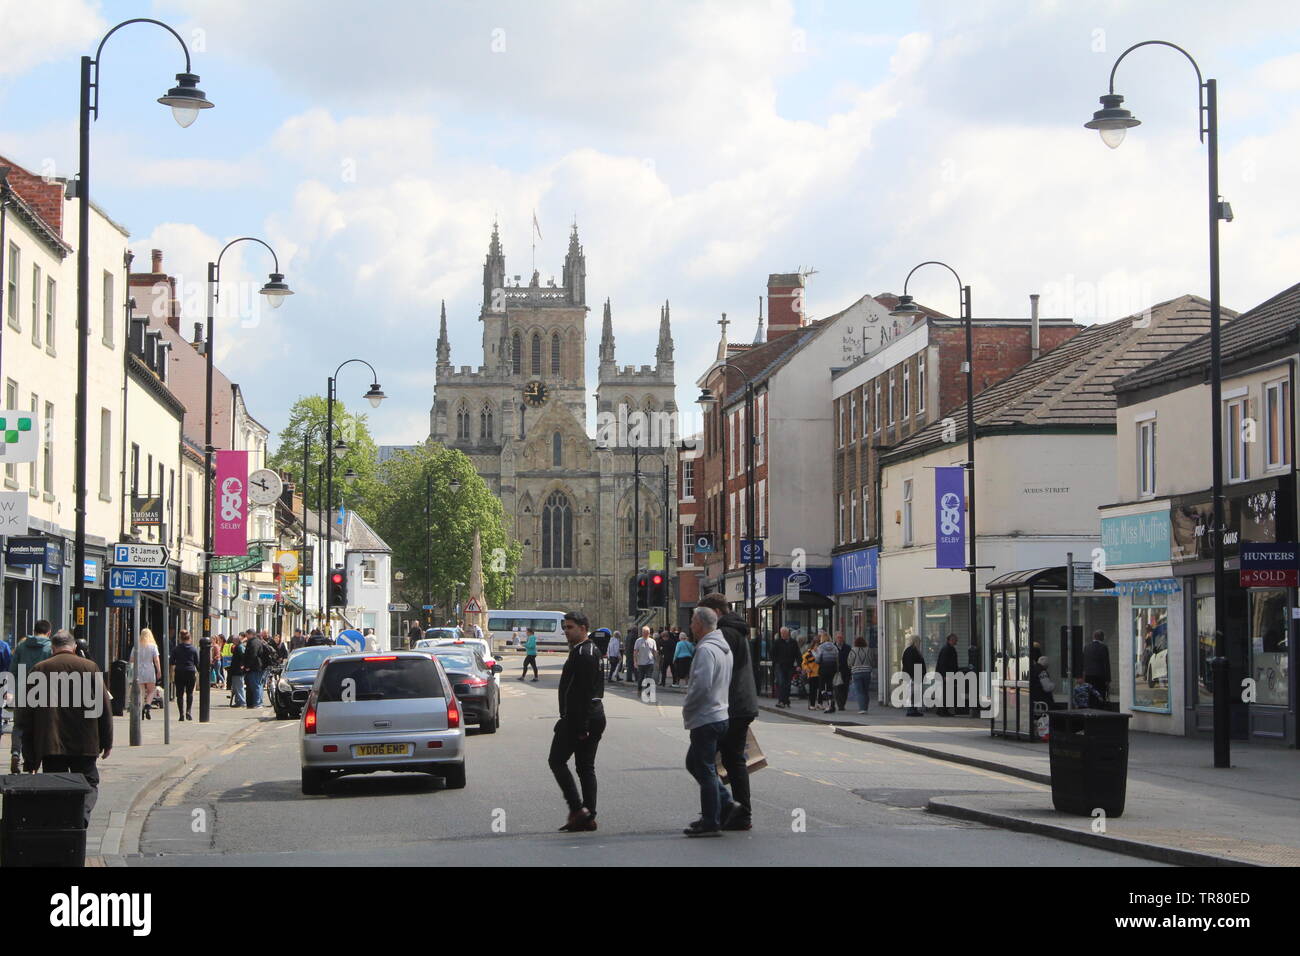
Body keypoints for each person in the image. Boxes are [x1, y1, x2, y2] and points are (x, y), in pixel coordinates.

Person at [14, 630, 113, 828]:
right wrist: (106, 742)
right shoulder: (89, 667)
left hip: (51, 744)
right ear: (74, 647)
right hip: (85, 743)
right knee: (89, 784)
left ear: (53, 648)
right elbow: (104, 708)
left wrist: (30, 757)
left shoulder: (39, 669)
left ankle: (60, 825)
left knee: (55, 787)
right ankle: (80, 818)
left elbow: (26, 716)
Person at [698, 593, 757, 831]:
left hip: (732, 705)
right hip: (739, 704)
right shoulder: (734, 629)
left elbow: (718, 672)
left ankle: (733, 811)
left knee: (708, 760)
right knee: (731, 760)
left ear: (717, 613)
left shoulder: (726, 633)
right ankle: (734, 811)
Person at [549, 610, 604, 832]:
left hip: (581, 718)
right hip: (586, 717)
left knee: (557, 760)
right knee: (584, 767)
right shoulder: (584, 650)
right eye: (564, 627)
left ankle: (577, 809)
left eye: (569, 627)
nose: (565, 631)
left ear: (583, 628)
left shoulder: (585, 653)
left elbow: (583, 692)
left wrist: (581, 726)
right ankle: (587, 816)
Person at [681, 606, 732, 837]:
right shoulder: (723, 648)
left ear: (700, 624)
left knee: (705, 769)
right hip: (720, 714)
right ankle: (727, 805)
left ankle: (711, 821)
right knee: (695, 763)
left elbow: (701, 686)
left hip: (706, 716)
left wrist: (688, 708)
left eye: (692, 621)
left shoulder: (706, 650)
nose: (690, 625)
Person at [9, 620, 54, 772]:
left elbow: (13, 671)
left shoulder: (22, 646)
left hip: (22, 692)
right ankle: (33, 762)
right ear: (49, 632)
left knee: (19, 725)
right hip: (43, 694)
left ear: (34, 631)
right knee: (39, 727)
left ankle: (15, 753)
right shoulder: (50, 648)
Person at [132, 629, 161, 721]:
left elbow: (131, 660)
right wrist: (159, 671)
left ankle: (140, 710)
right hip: (149, 669)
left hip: (139, 669)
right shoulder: (153, 646)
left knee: (141, 692)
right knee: (151, 690)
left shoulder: (136, 646)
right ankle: (148, 706)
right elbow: (156, 660)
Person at [171, 630, 199, 720]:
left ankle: (181, 714)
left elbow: (171, 661)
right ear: (189, 638)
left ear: (180, 638)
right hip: (190, 672)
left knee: (179, 694)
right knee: (189, 693)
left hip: (179, 672)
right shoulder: (193, 649)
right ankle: (188, 711)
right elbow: (197, 663)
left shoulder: (176, 649)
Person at [770, 627, 799, 708]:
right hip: (780, 666)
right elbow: (772, 653)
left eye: (784, 633)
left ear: (788, 633)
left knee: (788, 684)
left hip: (790, 666)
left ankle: (786, 700)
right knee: (781, 683)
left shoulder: (793, 642)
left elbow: (797, 654)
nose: (783, 635)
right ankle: (781, 701)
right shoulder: (777, 642)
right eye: (782, 633)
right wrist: (776, 661)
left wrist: (799, 665)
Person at [243, 630, 270, 708]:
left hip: (255, 667)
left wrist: (248, 666)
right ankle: (258, 702)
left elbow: (253, 655)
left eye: (247, 635)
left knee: (255, 685)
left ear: (250, 634)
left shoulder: (253, 642)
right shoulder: (258, 641)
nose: (246, 637)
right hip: (259, 666)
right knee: (259, 684)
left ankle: (258, 703)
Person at [1083, 630, 1111, 703]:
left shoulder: (1086, 647)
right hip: (1100, 677)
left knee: (1090, 696)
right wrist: (1108, 679)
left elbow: (1084, 662)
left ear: (1094, 637)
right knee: (1100, 696)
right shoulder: (1103, 647)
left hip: (1088, 676)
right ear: (1101, 637)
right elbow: (1106, 664)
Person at [814, 632, 839, 713]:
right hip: (832, 669)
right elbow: (836, 657)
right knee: (829, 687)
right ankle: (831, 703)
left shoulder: (820, 647)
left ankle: (830, 702)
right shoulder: (834, 647)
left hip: (823, 668)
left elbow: (817, 659)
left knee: (821, 687)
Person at [935, 633, 959, 716]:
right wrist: (945, 675)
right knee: (946, 693)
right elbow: (943, 663)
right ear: (950, 640)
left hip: (947, 673)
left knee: (946, 692)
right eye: (955, 639)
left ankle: (942, 710)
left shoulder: (948, 648)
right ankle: (943, 711)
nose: (957, 641)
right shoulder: (947, 649)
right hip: (946, 674)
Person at [847, 637, 873, 714]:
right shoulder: (868, 650)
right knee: (866, 691)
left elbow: (850, 662)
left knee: (859, 691)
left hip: (856, 672)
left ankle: (862, 708)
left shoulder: (853, 650)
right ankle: (865, 707)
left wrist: (851, 666)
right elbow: (872, 660)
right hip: (867, 672)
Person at [902, 635, 925, 717]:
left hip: (914, 674)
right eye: (919, 641)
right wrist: (914, 675)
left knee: (914, 693)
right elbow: (911, 665)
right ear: (915, 641)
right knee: (912, 693)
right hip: (913, 675)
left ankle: (913, 709)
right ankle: (911, 710)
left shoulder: (911, 650)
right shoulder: (911, 651)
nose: (920, 643)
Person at [833, 632, 852, 712]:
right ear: (835, 639)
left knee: (845, 688)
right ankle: (840, 704)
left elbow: (850, 659)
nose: (840, 639)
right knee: (837, 688)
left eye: (841, 638)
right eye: (838, 638)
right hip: (836, 671)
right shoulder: (833, 647)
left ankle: (843, 703)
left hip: (846, 671)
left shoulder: (848, 647)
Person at [228, 632, 247, 706]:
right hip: (236, 670)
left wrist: (242, 665)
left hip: (238, 670)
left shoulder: (239, 647)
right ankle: (238, 701)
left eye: (233, 640)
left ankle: (242, 702)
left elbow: (243, 657)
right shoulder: (238, 647)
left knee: (239, 686)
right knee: (236, 686)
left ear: (236, 640)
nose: (232, 641)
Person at [801, 637, 820, 710]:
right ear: (813, 646)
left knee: (820, 689)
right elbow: (804, 664)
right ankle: (812, 704)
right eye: (816, 646)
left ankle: (819, 703)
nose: (817, 647)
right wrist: (807, 669)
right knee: (813, 690)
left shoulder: (820, 653)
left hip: (819, 673)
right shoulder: (808, 654)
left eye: (818, 646)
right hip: (812, 674)